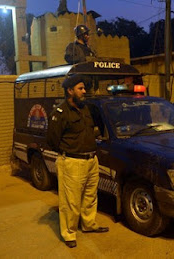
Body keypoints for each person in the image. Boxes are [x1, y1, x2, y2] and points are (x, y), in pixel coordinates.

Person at [47, 74, 108, 248]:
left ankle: (88, 224)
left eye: (84, 88)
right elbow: (52, 140)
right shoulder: (60, 112)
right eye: (80, 88)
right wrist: (69, 155)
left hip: (91, 160)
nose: (84, 91)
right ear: (70, 90)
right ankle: (69, 233)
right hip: (73, 162)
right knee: (70, 201)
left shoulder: (85, 109)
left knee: (90, 196)